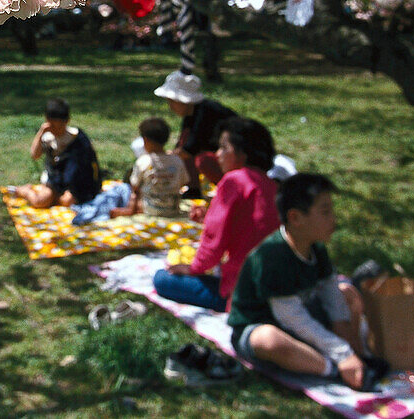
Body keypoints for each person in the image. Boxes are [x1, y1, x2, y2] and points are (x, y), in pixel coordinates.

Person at [227, 173, 368, 390]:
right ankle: (331, 369)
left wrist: (348, 346)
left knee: (347, 293)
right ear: (295, 218)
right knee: (268, 340)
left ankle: (356, 360)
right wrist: (341, 356)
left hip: (302, 317)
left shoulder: (316, 248)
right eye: (325, 212)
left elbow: (332, 297)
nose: (333, 219)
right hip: (266, 324)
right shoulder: (271, 258)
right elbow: (291, 317)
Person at [153, 116, 280, 310]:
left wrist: (193, 269)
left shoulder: (233, 181)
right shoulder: (271, 186)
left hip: (242, 291)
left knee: (162, 279)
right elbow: (247, 224)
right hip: (277, 283)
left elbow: (214, 241)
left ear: (242, 153)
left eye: (223, 148)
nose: (218, 154)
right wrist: (208, 216)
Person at [153, 70, 237, 198]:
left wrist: (164, 157)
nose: (170, 107)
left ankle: (232, 190)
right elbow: (183, 145)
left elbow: (190, 149)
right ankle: (193, 188)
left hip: (234, 158)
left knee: (203, 161)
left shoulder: (205, 113)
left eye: (172, 102)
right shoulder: (191, 114)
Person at [16, 98, 101, 209]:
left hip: (72, 180)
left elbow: (89, 162)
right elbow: (35, 155)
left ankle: (55, 198)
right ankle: (25, 191)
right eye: (52, 126)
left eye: (59, 126)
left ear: (67, 121)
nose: (56, 130)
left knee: (68, 201)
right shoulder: (47, 137)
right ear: (47, 121)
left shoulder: (76, 137)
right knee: (40, 201)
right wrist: (41, 132)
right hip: (53, 179)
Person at [111, 117, 189, 218]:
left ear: (145, 140)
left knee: (135, 190)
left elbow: (134, 187)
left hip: (149, 209)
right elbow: (184, 181)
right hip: (172, 209)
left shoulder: (143, 161)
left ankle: (130, 210)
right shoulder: (177, 160)